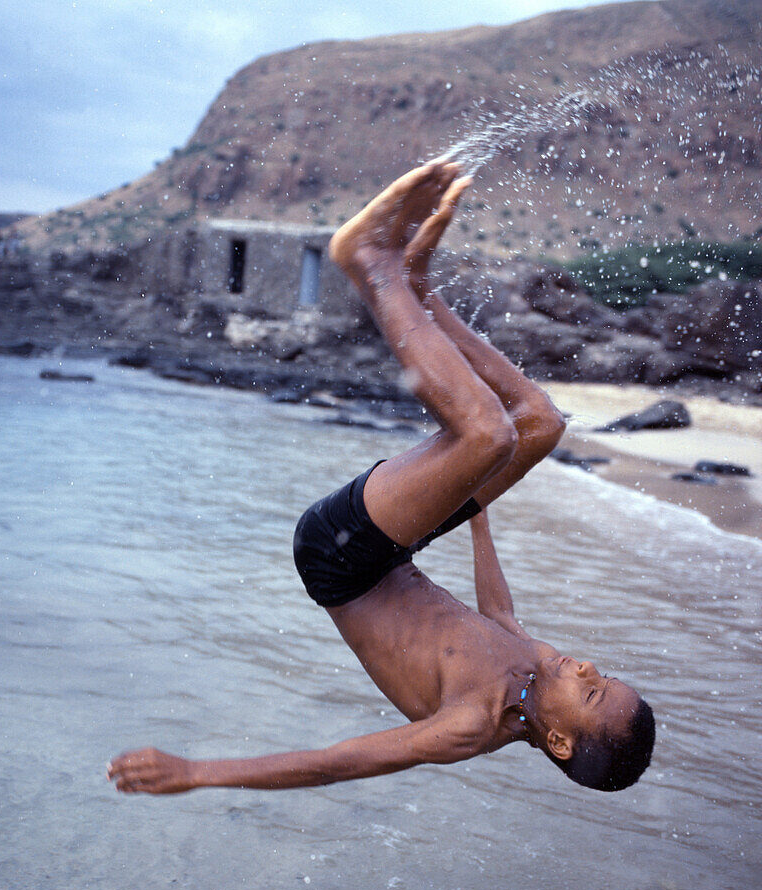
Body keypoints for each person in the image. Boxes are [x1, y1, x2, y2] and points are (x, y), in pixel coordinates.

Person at [108, 160, 655, 799]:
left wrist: (199, 772)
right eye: (603, 672)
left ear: (559, 742)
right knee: (538, 423)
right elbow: (498, 614)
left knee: (489, 434)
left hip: (337, 559)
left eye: (591, 689)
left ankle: (369, 262)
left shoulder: (468, 726)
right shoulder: (538, 673)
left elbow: (337, 762)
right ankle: (418, 289)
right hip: (396, 549)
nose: (586, 665)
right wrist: (475, 506)